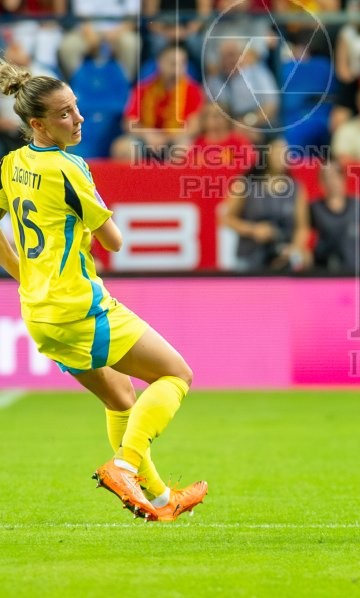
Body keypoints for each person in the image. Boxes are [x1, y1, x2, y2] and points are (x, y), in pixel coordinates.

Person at [0, 58, 206, 521]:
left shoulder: (11, 165)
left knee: (120, 399)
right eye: (65, 114)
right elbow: (115, 240)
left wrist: (23, 273)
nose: (79, 119)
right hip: (79, 306)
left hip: (39, 313)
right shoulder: (71, 168)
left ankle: (158, 501)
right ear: (38, 124)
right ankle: (124, 465)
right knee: (176, 375)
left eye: (76, 108)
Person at [219, 138, 311, 272]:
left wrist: (294, 249)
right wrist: (253, 230)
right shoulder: (246, 184)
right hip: (249, 257)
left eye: (286, 152)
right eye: (278, 151)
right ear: (266, 154)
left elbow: (302, 227)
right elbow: (226, 218)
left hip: (281, 259)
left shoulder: (296, 188)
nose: (283, 156)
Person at [309, 160, 360, 273]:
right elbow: (301, 230)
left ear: (343, 179)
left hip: (355, 270)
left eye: (335, 176)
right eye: (327, 177)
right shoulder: (315, 208)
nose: (331, 182)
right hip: (324, 272)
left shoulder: (357, 205)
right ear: (321, 181)